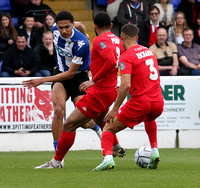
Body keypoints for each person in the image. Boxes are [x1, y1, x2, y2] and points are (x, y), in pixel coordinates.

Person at [23, 11, 126, 169]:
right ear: (56, 26)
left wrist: (42, 80)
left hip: (78, 77)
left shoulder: (81, 44)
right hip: (60, 76)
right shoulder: (56, 30)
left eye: (67, 27)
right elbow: (81, 25)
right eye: (61, 27)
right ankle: (58, 158)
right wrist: (85, 31)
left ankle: (102, 134)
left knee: (86, 120)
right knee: (58, 110)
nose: (64, 30)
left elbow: (71, 73)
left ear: (71, 25)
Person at [93, 24, 164, 171]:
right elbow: (145, 78)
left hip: (140, 102)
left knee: (108, 128)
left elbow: (125, 85)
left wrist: (114, 109)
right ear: (137, 37)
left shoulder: (126, 56)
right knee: (149, 119)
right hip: (158, 102)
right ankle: (155, 151)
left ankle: (108, 158)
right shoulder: (149, 52)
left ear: (121, 38)